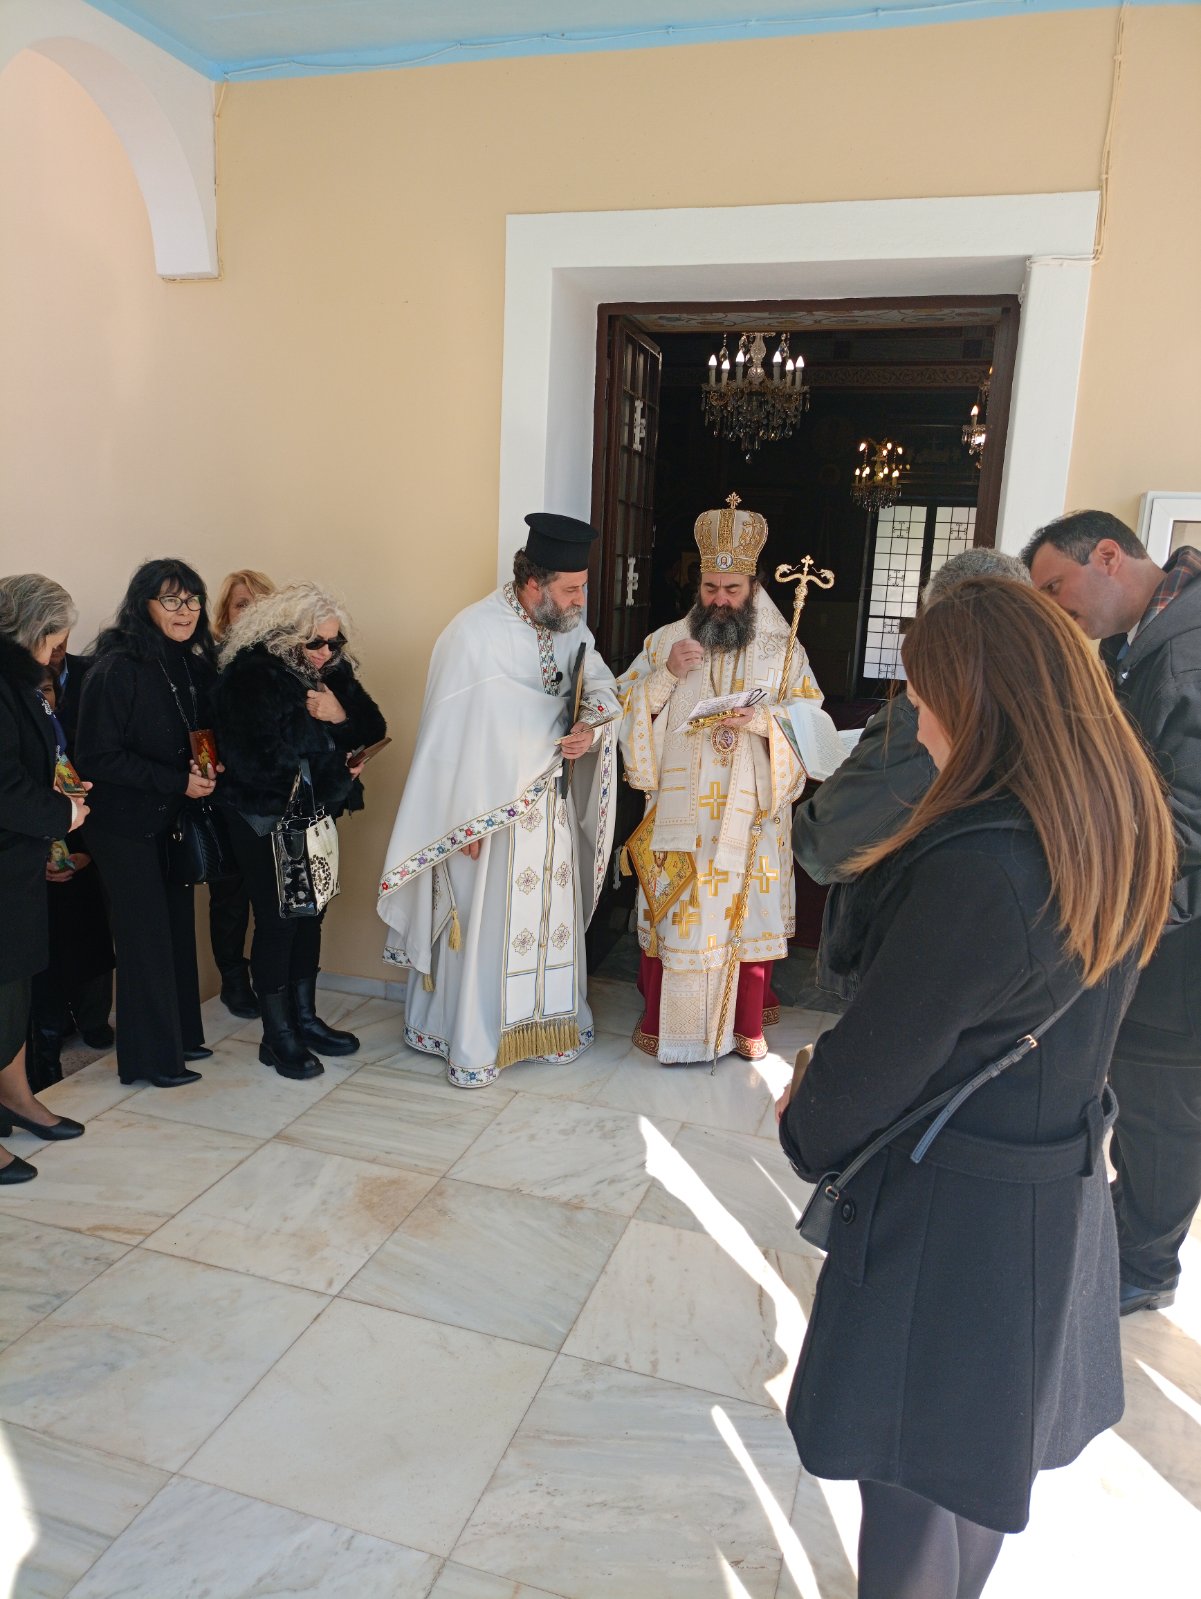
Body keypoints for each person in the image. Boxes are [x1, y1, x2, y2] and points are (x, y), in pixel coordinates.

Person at [776, 577, 1174, 1599]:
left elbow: (876, 1064)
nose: (918, 725)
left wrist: (806, 1116)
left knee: (910, 1482)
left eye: (923, 701)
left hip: (951, 1210)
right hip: (1049, 1181)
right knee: (976, 1466)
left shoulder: (985, 864)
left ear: (978, 703)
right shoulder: (1117, 817)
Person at [1024, 509, 1201, 1315]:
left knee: (1161, 1107)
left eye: (1054, 586)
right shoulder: (1145, 640)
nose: (1054, 607)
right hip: (1151, 919)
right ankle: (1125, 1242)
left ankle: (1145, 1265)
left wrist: (1092, 847)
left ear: (1105, 556)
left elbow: (1188, 814)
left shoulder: (1187, 648)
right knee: (1134, 1092)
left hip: (1180, 933)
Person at [379, 514, 619, 1088]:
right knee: (487, 934)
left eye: (582, 588)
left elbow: (601, 687)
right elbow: (449, 741)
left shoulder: (570, 628)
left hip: (548, 814)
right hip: (486, 820)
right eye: (571, 589)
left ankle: (547, 1026)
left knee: (547, 924)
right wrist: (460, 822)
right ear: (534, 583)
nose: (580, 600)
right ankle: (476, 1040)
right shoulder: (472, 634)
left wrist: (588, 727)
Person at [615, 495, 811, 1063]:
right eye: (710, 589)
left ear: (752, 587)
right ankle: (670, 1028)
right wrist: (665, 675)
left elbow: (811, 721)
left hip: (749, 820)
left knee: (741, 920)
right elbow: (622, 708)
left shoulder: (783, 649)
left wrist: (765, 721)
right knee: (681, 917)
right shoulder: (665, 642)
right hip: (682, 819)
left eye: (732, 589)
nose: (720, 600)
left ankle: (742, 1027)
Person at [793, 547, 1030, 1000]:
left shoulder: (933, 718)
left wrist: (812, 811)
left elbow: (824, 843)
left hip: (915, 953)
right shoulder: (1057, 704)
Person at [215, 582, 386, 1078]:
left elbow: (372, 728)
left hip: (312, 815)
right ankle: (277, 1035)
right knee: (279, 920)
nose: (327, 651)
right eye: (316, 642)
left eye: (334, 641)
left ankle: (304, 1019)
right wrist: (335, 761)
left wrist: (340, 715)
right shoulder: (249, 676)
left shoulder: (332, 671)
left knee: (311, 914)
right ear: (283, 635)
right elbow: (260, 765)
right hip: (264, 817)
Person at [76, 559, 218, 1088]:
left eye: (193, 599)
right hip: (122, 825)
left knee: (176, 929)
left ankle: (180, 1038)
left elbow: (196, 736)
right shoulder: (117, 667)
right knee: (145, 938)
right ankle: (151, 1061)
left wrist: (209, 767)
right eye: (171, 600)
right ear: (144, 605)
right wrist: (177, 781)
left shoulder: (192, 666)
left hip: (170, 817)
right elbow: (97, 757)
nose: (186, 611)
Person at [0, 574, 90, 1181]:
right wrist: (63, 815)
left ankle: (15, 1096)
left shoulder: (18, 681)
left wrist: (64, 795)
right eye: (56, 638)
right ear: (33, 629)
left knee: (14, 990)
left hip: (17, 864)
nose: (61, 650)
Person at [25, 666, 115, 1091]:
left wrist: (84, 855)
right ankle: (46, 1048)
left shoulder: (70, 739)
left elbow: (97, 802)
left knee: (91, 943)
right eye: (33, 692)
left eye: (47, 690)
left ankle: (93, 1020)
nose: (41, 699)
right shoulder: (16, 747)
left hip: (81, 859)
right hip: (29, 872)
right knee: (42, 961)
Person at [207, 570, 276, 1021]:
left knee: (273, 898)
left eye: (260, 603)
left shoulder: (288, 660)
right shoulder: (209, 663)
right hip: (225, 796)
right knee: (230, 897)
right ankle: (234, 981)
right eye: (241, 604)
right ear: (225, 615)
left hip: (276, 797)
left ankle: (273, 982)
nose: (251, 612)